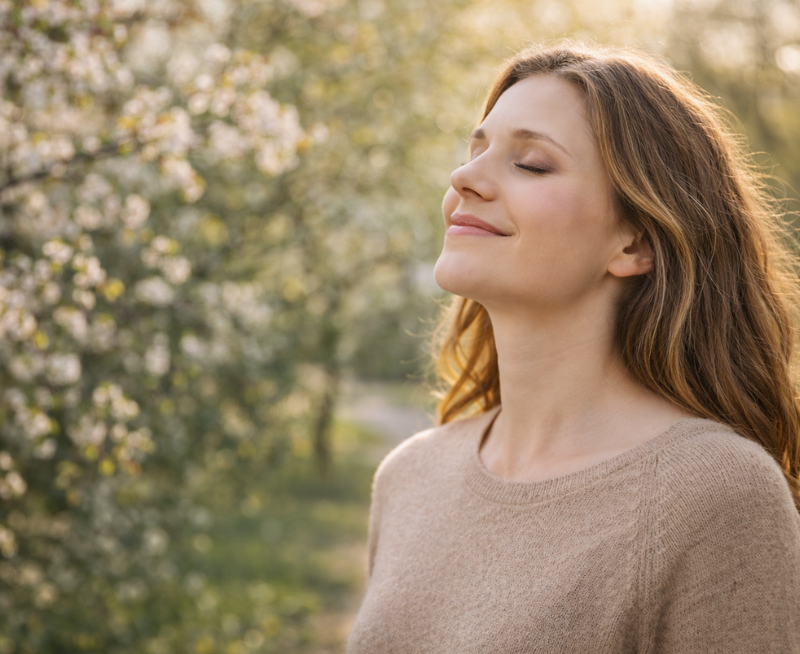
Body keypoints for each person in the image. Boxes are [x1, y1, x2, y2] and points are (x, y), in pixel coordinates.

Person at [347, 42, 800, 653]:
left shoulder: (717, 495)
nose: (463, 179)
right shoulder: (409, 476)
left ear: (635, 243)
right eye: (475, 151)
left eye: (530, 164)